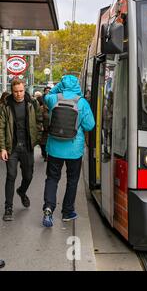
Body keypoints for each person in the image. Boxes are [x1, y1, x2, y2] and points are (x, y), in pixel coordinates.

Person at [42, 75, 95, 227]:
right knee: (72, 180)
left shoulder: (53, 99)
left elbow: (48, 94)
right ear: (77, 85)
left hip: (54, 148)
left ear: (61, 85)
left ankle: (48, 208)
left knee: (52, 178)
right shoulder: (82, 102)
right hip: (74, 150)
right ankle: (67, 212)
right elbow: (90, 125)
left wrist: (59, 87)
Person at [0, 79, 42, 221]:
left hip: (27, 147)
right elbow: (1, 127)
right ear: (12, 91)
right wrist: (3, 148)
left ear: (25, 89)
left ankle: (22, 191)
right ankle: (8, 208)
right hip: (12, 147)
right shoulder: (6, 105)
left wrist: (37, 137)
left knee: (28, 176)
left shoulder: (32, 103)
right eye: (16, 91)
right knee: (11, 176)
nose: (18, 94)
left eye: (21, 91)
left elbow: (39, 121)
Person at [36, 96, 50, 161]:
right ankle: (45, 155)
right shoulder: (42, 108)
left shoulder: (48, 108)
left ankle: (45, 155)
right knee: (43, 143)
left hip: (46, 128)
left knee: (43, 143)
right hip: (43, 128)